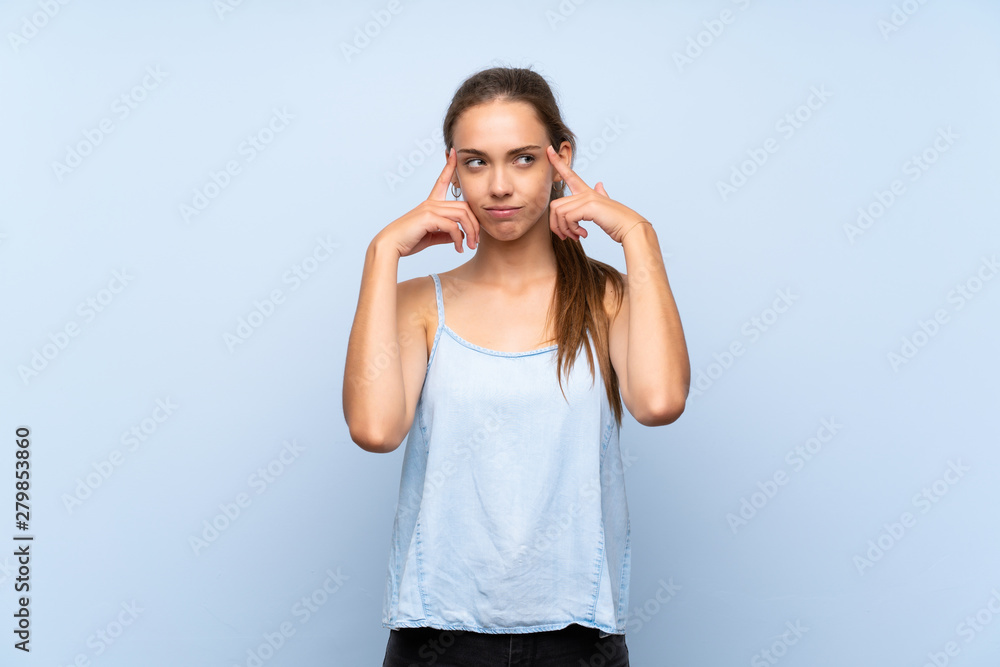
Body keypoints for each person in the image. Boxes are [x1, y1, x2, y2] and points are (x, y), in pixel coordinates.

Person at [343, 65, 690, 667]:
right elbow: (374, 431)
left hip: (579, 637)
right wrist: (382, 254)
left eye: (523, 159)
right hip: (436, 637)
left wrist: (639, 235)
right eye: (476, 162)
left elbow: (659, 403)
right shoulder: (417, 304)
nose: (499, 185)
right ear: (452, 170)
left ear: (561, 159)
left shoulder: (608, 298)